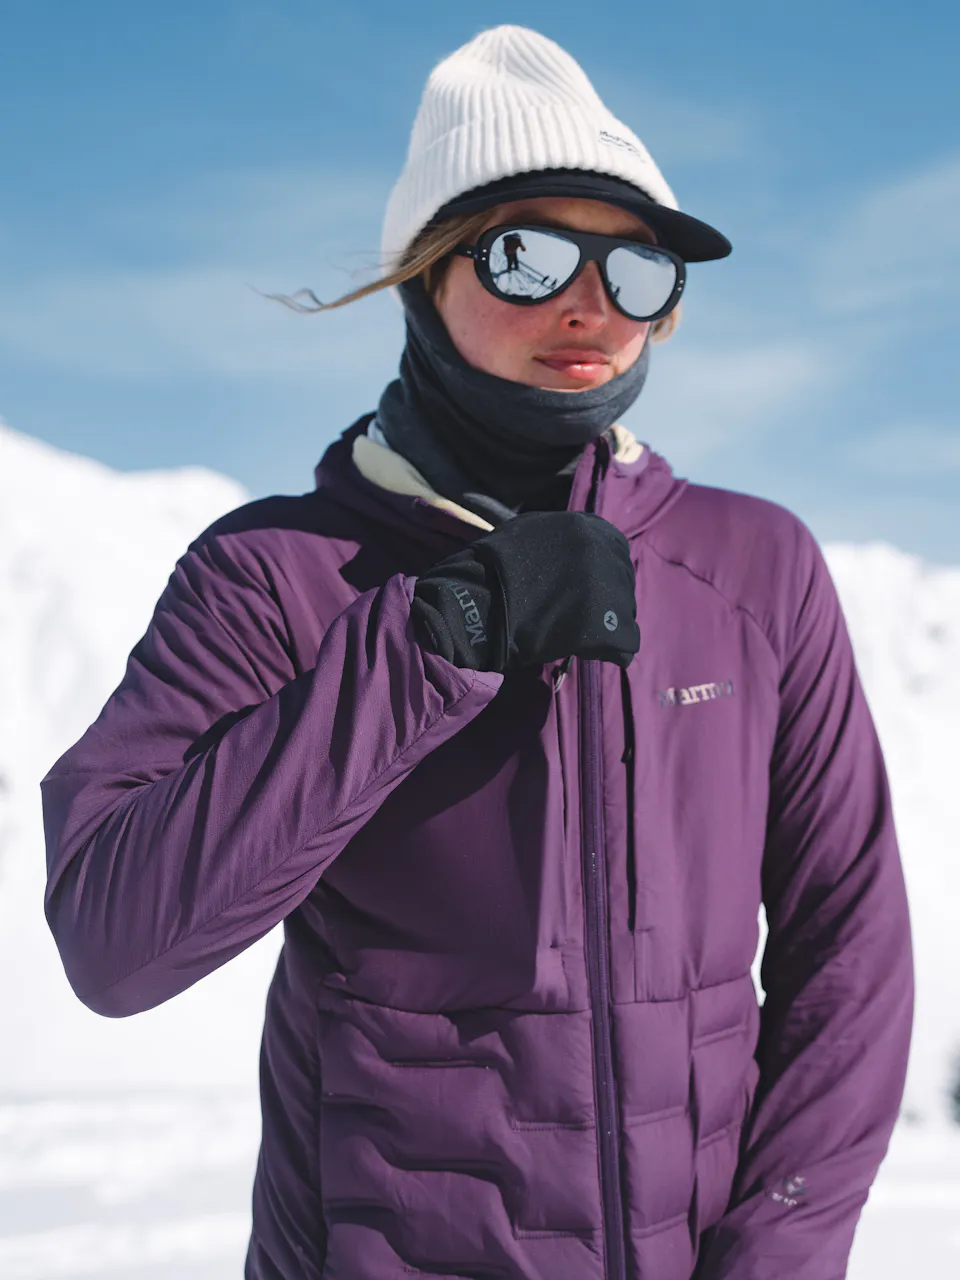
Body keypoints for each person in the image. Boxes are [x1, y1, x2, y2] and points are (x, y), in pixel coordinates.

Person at [41, 24, 913, 1280]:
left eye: (639, 268)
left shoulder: (753, 566)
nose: (589, 303)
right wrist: (429, 639)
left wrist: (777, 1253)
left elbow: (852, 949)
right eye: (529, 253)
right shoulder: (276, 574)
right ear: (425, 275)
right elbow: (112, 938)